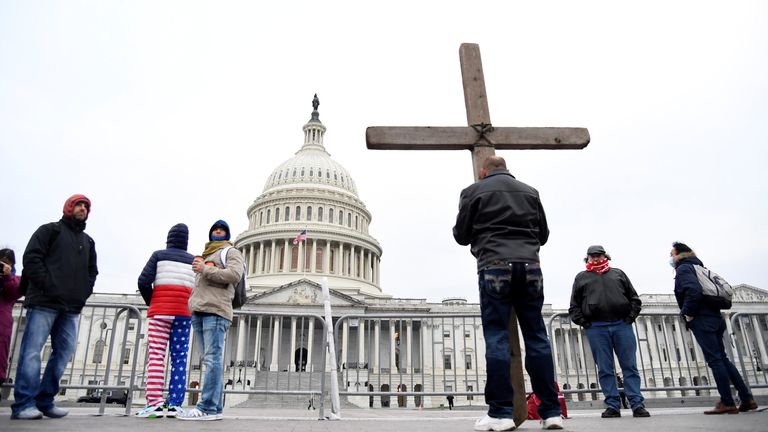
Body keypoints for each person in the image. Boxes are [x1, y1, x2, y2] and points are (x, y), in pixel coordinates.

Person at [453, 155, 563, 431]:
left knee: (497, 337)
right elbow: (544, 234)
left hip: (494, 265)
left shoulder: (473, 191)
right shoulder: (530, 191)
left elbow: (461, 235)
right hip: (530, 267)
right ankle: (551, 412)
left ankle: (501, 412)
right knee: (537, 337)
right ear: (507, 169)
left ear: (483, 170)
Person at [11, 194, 98, 420]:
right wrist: (47, 285)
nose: (82, 209)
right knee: (32, 352)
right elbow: (31, 258)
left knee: (64, 352)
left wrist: (82, 293)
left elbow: (92, 272)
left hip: (71, 307)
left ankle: (45, 400)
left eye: (86, 207)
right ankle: (23, 404)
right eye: (78, 205)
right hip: (43, 302)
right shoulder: (49, 230)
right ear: (69, 207)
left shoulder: (88, 241)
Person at [670, 242, 758, 415]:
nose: (670, 258)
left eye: (672, 254)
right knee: (723, 359)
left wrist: (687, 314)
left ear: (679, 255)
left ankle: (727, 402)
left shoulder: (684, 269)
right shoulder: (700, 267)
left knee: (715, 361)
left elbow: (693, 291)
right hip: (716, 317)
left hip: (702, 319)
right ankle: (747, 398)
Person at [568, 245, 649, 418]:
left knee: (630, 366)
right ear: (587, 258)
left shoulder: (618, 274)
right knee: (605, 369)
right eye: (593, 256)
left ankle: (637, 404)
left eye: (599, 255)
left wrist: (630, 318)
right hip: (596, 328)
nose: (596, 259)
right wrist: (584, 322)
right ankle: (612, 404)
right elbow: (574, 305)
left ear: (606, 257)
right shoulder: (581, 278)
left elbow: (634, 298)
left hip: (622, 325)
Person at [178, 220, 244, 421]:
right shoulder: (206, 254)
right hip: (200, 309)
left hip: (216, 310)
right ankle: (213, 409)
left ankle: (206, 407)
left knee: (213, 360)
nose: (218, 231)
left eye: (222, 229)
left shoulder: (231, 252)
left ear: (227, 234)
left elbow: (234, 275)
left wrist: (205, 269)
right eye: (215, 228)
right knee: (210, 359)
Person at [134, 224, 195, 418]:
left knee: (156, 357)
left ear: (169, 238)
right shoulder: (193, 261)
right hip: (184, 314)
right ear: (186, 241)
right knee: (179, 359)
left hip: (160, 312)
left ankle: (155, 403)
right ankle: (175, 404)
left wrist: (153, 302)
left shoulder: (159, 256)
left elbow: (143, 281)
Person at [1, 248, 23, 393]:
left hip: (2, 327)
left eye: (6, 263)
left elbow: (15, 292)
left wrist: (7, 276)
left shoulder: (14, 279)